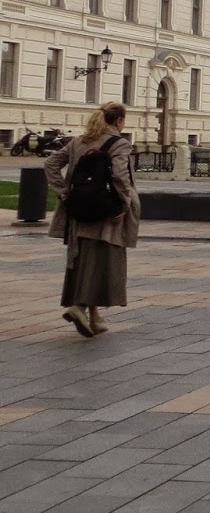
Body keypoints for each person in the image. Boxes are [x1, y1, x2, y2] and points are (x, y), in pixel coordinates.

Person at [44, 101, 139, 338]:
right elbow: (120, 175)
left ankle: (94, 318)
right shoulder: (119, 143)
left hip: (79, 209)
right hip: (106, 212)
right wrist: (124, 204)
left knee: (83, 258)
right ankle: (79, 307)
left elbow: (50, 163)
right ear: (119, 121)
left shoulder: (79, 141)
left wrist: (63, 192)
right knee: (102, 261)